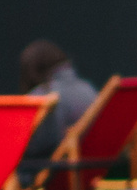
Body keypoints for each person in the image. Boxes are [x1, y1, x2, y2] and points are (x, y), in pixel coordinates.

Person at [16, 40, 98, 176]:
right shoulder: (89, 90)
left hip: (56, 174)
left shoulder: (42, 98)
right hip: (91, 170)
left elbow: (33, 147)